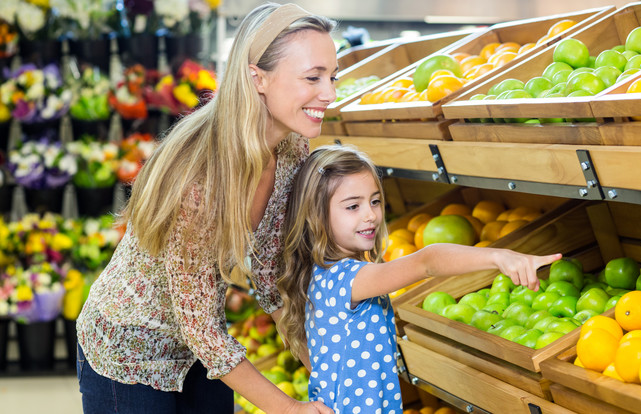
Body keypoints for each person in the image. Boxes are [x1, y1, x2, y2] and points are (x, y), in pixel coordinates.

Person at [76, 3, 338, 413]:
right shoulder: (202, 177)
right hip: (128, 349)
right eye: (312, 77)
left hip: (197, 346)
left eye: (332, 76)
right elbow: (201, 330)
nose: (329, 93)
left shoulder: (290, 149)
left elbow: (269, 273)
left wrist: (325, 370)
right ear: (258, 78)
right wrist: (291, 408)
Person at [277, 145, 562, 413]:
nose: (370, 215)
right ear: (315, 215)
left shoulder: (320, 273)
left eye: (375, 201)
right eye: (353, 207)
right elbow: (427, 261)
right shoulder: (348, 279)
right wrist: (498, 257)